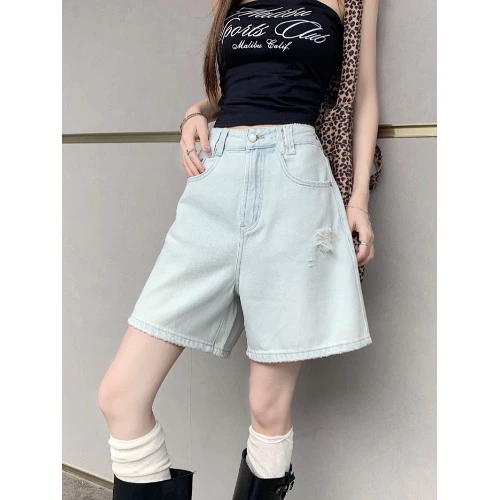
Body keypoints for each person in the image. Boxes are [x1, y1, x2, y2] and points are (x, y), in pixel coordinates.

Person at [98, 0, 379, 498]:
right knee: (120, 395)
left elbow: (363, 97)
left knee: (267, 407)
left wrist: (358, 200)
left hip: (295, 182)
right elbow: (231, 89)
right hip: (217, 175)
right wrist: (195, 112)